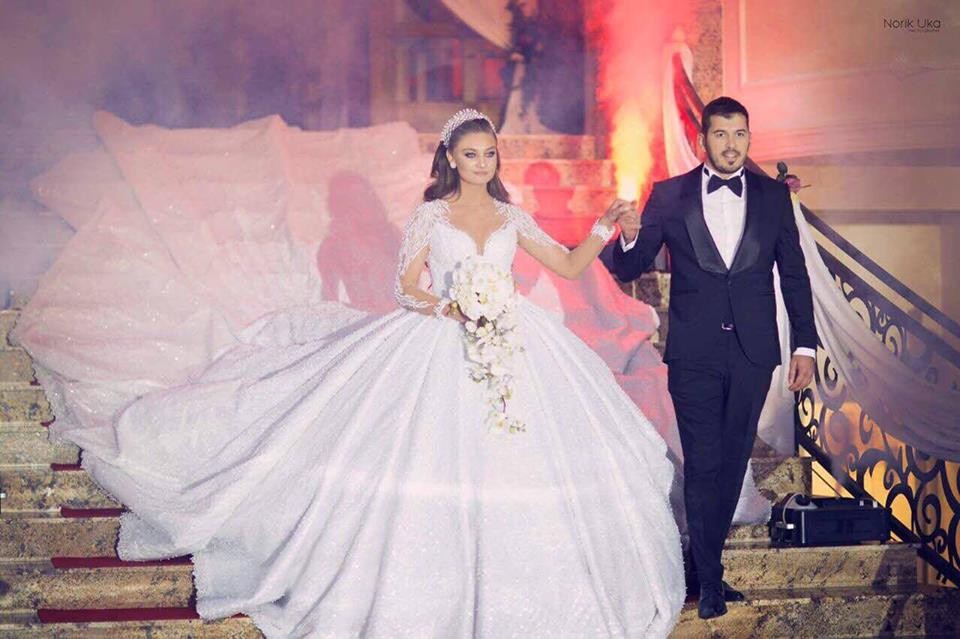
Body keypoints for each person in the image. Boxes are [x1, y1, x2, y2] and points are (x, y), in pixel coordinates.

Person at [75, 108, 685, 637]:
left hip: (514, 337)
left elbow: (570, 266)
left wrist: (605, 225)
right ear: (451, 158)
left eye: (489, 153)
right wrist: (449, 307)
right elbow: (405, 286)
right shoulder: (431, 216)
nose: (481, 163)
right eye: (471, 154)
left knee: (526, 451)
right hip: (443, 335)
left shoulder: (511, 216)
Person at [613, 96, 817, 619]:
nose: (731, 145)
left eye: (740, 134)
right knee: (703, 461)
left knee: (731, 461)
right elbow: (630, 266)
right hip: (693, 351)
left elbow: (794, 274)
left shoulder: (773, 197)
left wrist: (804, 345)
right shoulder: (669, 194)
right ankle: (709, 580)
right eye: (721, 135)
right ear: (702, 139)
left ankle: (701, 567)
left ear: (749, 138)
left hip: (753, 352)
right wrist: (629, 236)